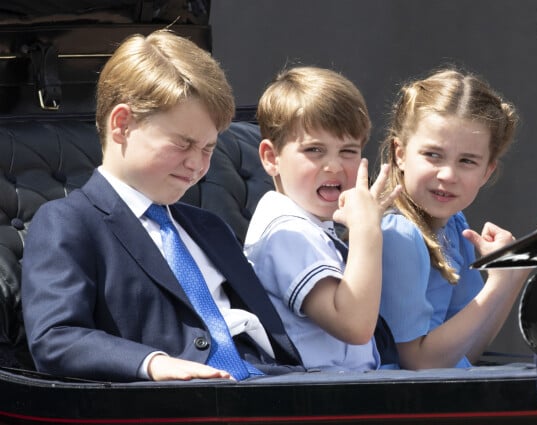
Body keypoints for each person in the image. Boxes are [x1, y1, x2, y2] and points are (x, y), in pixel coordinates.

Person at [21, 29, 302, 382]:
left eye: (208, 149)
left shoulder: (211, 229)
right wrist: (153, 363)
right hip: (176, 405)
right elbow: (56, 337)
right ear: (122, 125)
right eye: (182, 144)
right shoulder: (68, 222)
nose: (197, 165)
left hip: (271, 387)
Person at [377, 67, 537, 369]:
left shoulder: (454, 225)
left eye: (467, 161)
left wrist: (512, 277)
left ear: (487, 171)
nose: (448, 175)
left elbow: (464, 353)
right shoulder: (398, 234)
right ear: (400, 154)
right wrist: (496, 285)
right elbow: (418, 364)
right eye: (432, 155)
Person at [244, 66, 401, 371]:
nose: (333, 166)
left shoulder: (310, 225)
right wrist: (367, 231)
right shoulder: (286, 232)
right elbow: (354, 326)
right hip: (319, 397)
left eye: (348, 150)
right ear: (270, 157)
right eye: (314, 150)